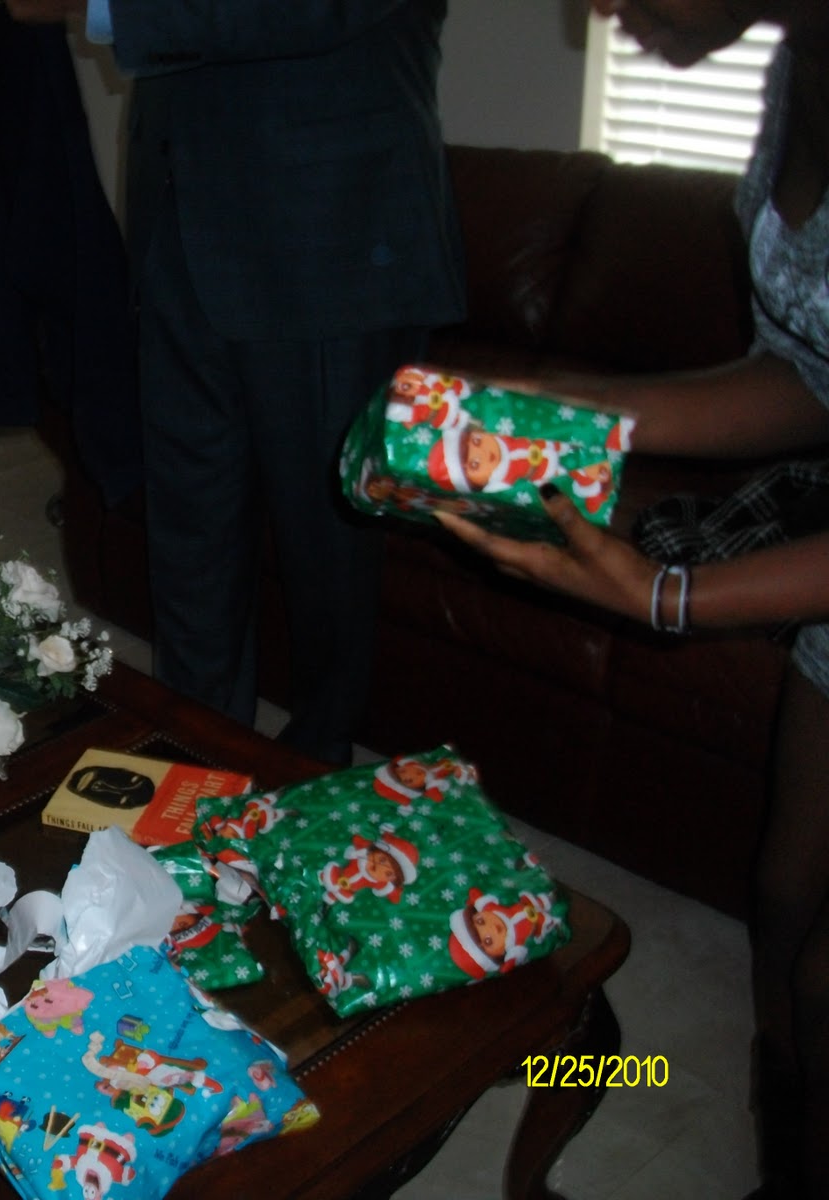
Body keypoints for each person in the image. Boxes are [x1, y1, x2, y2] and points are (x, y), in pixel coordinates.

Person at [435, 3, 829, 1193]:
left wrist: (668, 594)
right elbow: (807, 379)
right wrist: (576, 407)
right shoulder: (797, 77)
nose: (594, 6)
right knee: (784, 893)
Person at [5, 0, 465, 765]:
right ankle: (197, 756)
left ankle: (308, 771)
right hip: (182, 222)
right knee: (190, 536)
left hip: (331, 240)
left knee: (327, 548)